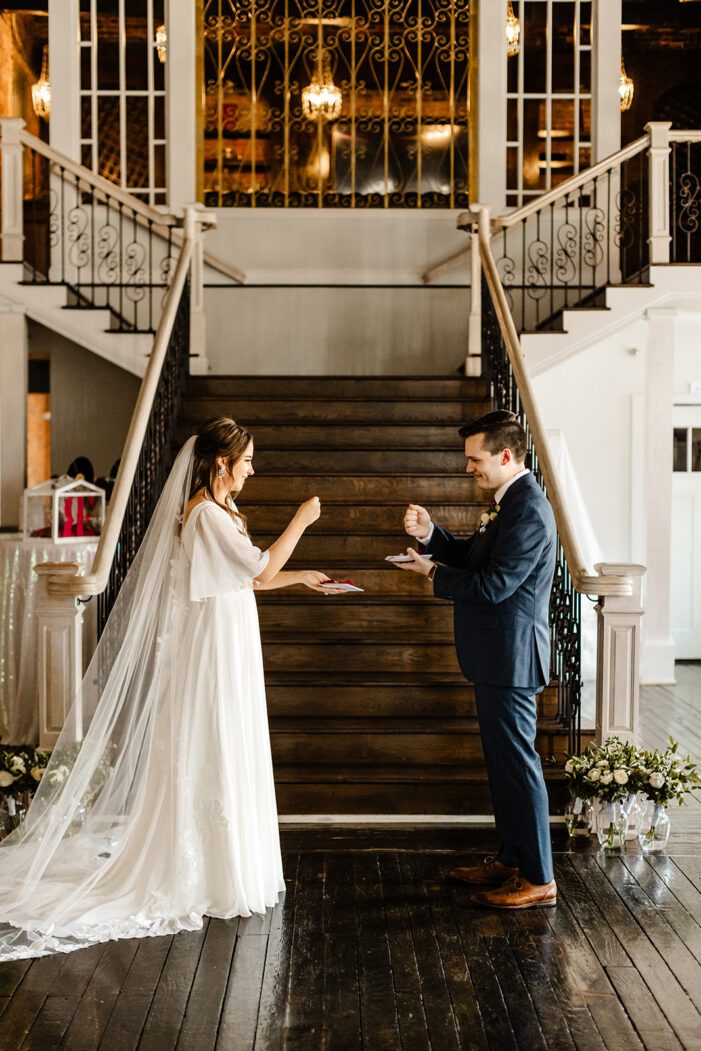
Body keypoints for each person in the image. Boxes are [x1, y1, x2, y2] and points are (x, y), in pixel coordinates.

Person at [0, 416, 340, 960]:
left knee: (230, 737)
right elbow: (258, 563)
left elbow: (252, 578)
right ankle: (205, 868)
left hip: (231, 632)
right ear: (222, 462)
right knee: (213, 739)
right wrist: (302, 520)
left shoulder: (220, 511)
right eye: (247, 461)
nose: (253, 470)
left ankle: (228, 862)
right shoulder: (205, 513)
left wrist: (304, 577)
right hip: (214, 643)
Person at [398, 410, 558, 910]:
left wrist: (431, 574)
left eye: (476, 459)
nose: (469, 468)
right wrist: (432, 536)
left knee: (518, 766)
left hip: (512, 658)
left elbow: (494, 586)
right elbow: (478, 558)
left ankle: (539, 878)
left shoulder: (529, 509)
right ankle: (510, 860)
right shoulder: (509, 503)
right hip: (495, 656)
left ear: (506, 456)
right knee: (503, 766)